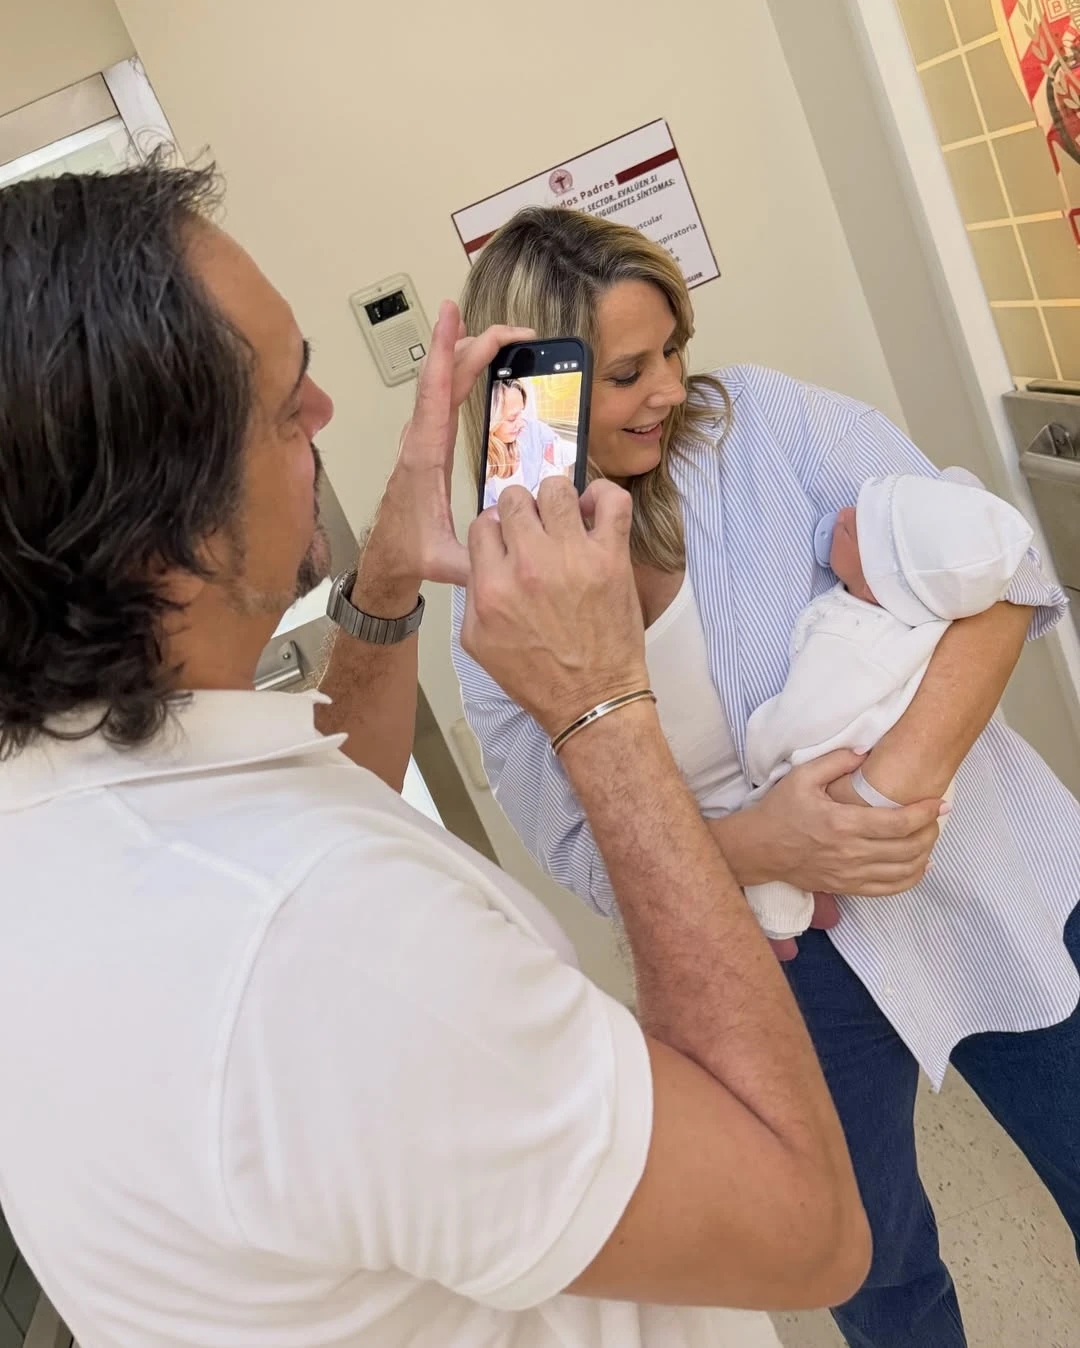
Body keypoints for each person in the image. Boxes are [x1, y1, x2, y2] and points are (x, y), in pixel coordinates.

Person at [0, 161, 871, 1348]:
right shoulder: (322, 950)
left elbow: (330, 802)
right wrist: (601, 704)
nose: (323, 417)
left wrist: (391, 568)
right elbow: (807, 1225)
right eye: (283, 398)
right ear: (158, 518)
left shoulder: (91, 814)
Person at [451, 206, 1080, 1348]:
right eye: (630, 371)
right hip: (783, 962)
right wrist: (773, 847)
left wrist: (888, 796)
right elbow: (587, 853)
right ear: (535, 389)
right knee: (876, 1268)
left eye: (674, 350)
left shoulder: (766, 426)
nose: (669, 391)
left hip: (977, 856)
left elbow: (1002, 572)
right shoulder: (500, 599)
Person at [743, 467, 1034, 954]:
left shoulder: (852, 636)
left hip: (858, 782)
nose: (842, 514)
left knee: (765, 824)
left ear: (879, 584)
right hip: (923, 797)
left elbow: (805, 715)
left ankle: (781, 928)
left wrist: (761, 759)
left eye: (852, 530)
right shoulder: (926, 620)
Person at [483, 376, 573, 507]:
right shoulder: (482, 464)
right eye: (512, 419)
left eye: (521, 413)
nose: (520, 424)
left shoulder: (534, 430)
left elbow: (565, 458)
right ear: (492, 421)